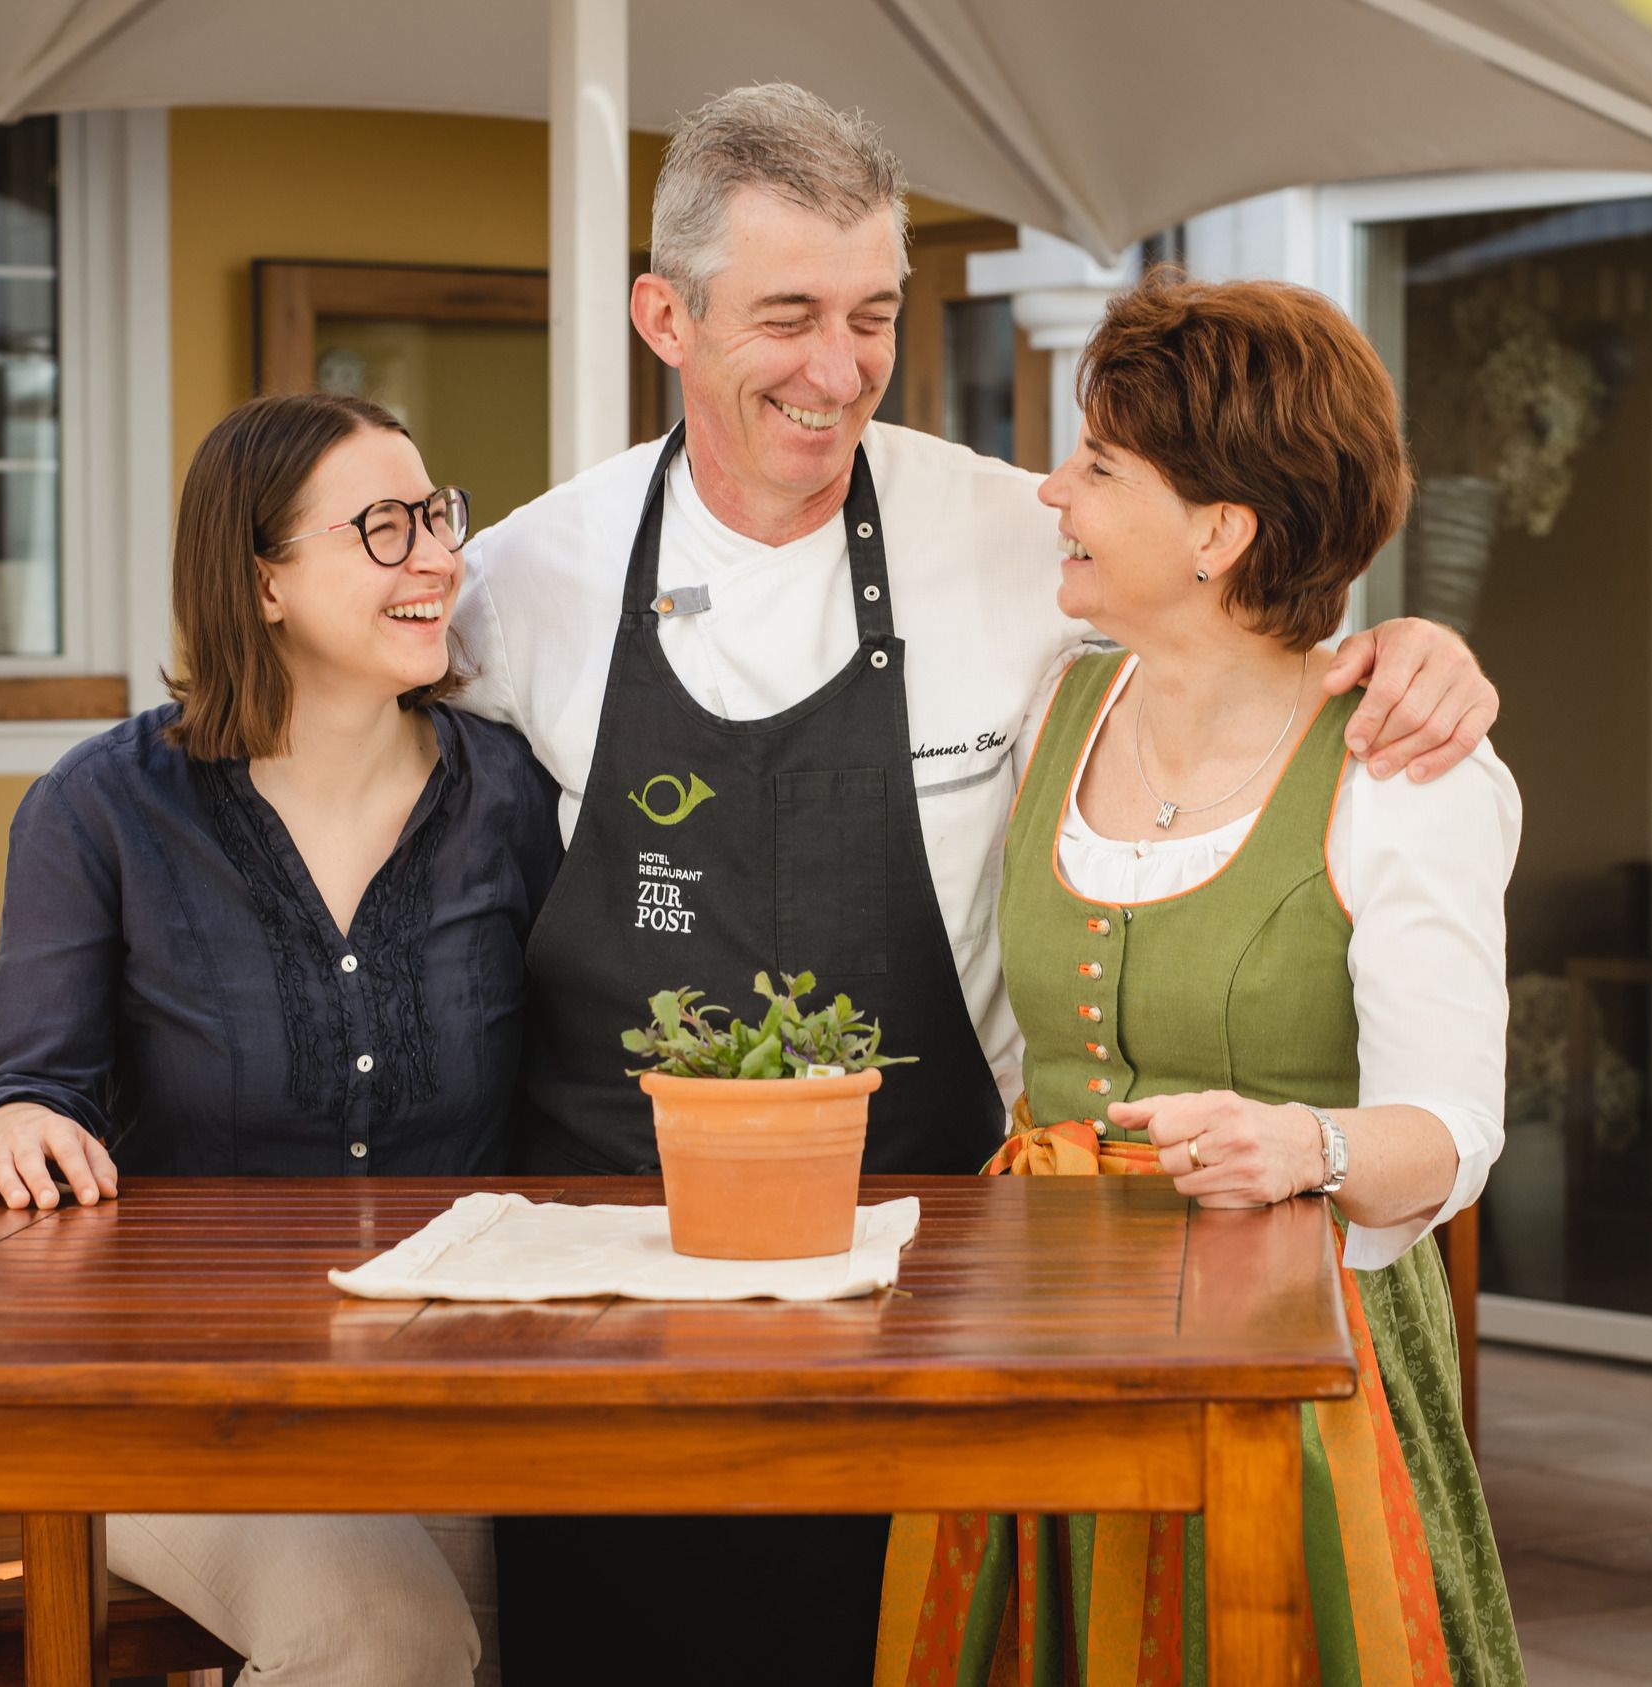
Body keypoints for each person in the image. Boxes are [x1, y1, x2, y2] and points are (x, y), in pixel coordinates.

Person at [456, 83, 1504, 1683]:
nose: (839, 368)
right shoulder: (527, 578)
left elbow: (1245, 614)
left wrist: (1417, 646)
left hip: (941, 1279)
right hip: (621, 1278)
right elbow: (308, 719)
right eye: (789, 314)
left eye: (873, 313)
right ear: (663, 315)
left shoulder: (1020, 537)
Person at [875, 269, 1524, 1683]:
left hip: (1292, 1368)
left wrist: (1307, 1143)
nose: (1057, 494)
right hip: (1037, 1337)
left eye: (1100, 466)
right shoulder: (1055, 698)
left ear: (1220, 531)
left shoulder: (1408, 774)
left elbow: (1452, 1136)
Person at [0, 390, 563, 1684]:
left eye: (437, 516)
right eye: (382, 528)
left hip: (456, 1377)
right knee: (387, 1642)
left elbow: (576, 1087)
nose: (439, 554)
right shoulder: (100, 810)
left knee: (561, 1623)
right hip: (180, 1391)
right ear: (261, 580)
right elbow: (18, 1089)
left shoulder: (513, 796)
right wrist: (17, 1122)